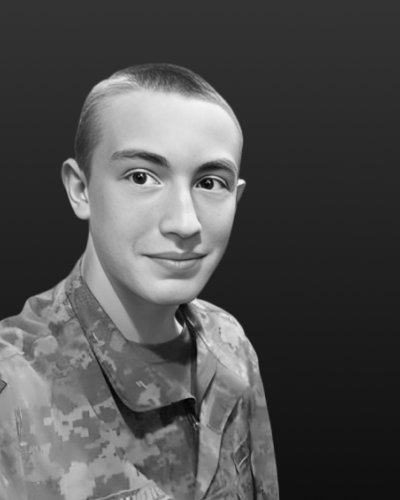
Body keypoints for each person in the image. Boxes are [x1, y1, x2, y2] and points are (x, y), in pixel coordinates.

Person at [0, 64, 279, 500]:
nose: (184, 222)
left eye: (210, 183)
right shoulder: (14, 389)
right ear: (81, 189)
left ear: (236, 198)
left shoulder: (231, 347)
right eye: (141, 177)